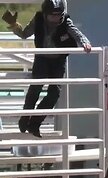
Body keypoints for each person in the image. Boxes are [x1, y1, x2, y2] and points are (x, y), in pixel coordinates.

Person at [2, 0, 91, 137]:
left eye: (58, 15)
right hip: (42, 58)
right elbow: (25, 33)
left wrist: (85, 42)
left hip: (58, 60)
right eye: (52, 16)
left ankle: (35, 124)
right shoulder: (38, 19)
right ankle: (25, 118)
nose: (55, 19)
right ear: (45, 14)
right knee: (35, 89)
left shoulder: (65, 22)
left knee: (54, 94)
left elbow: (76, 33)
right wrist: (14, 25)